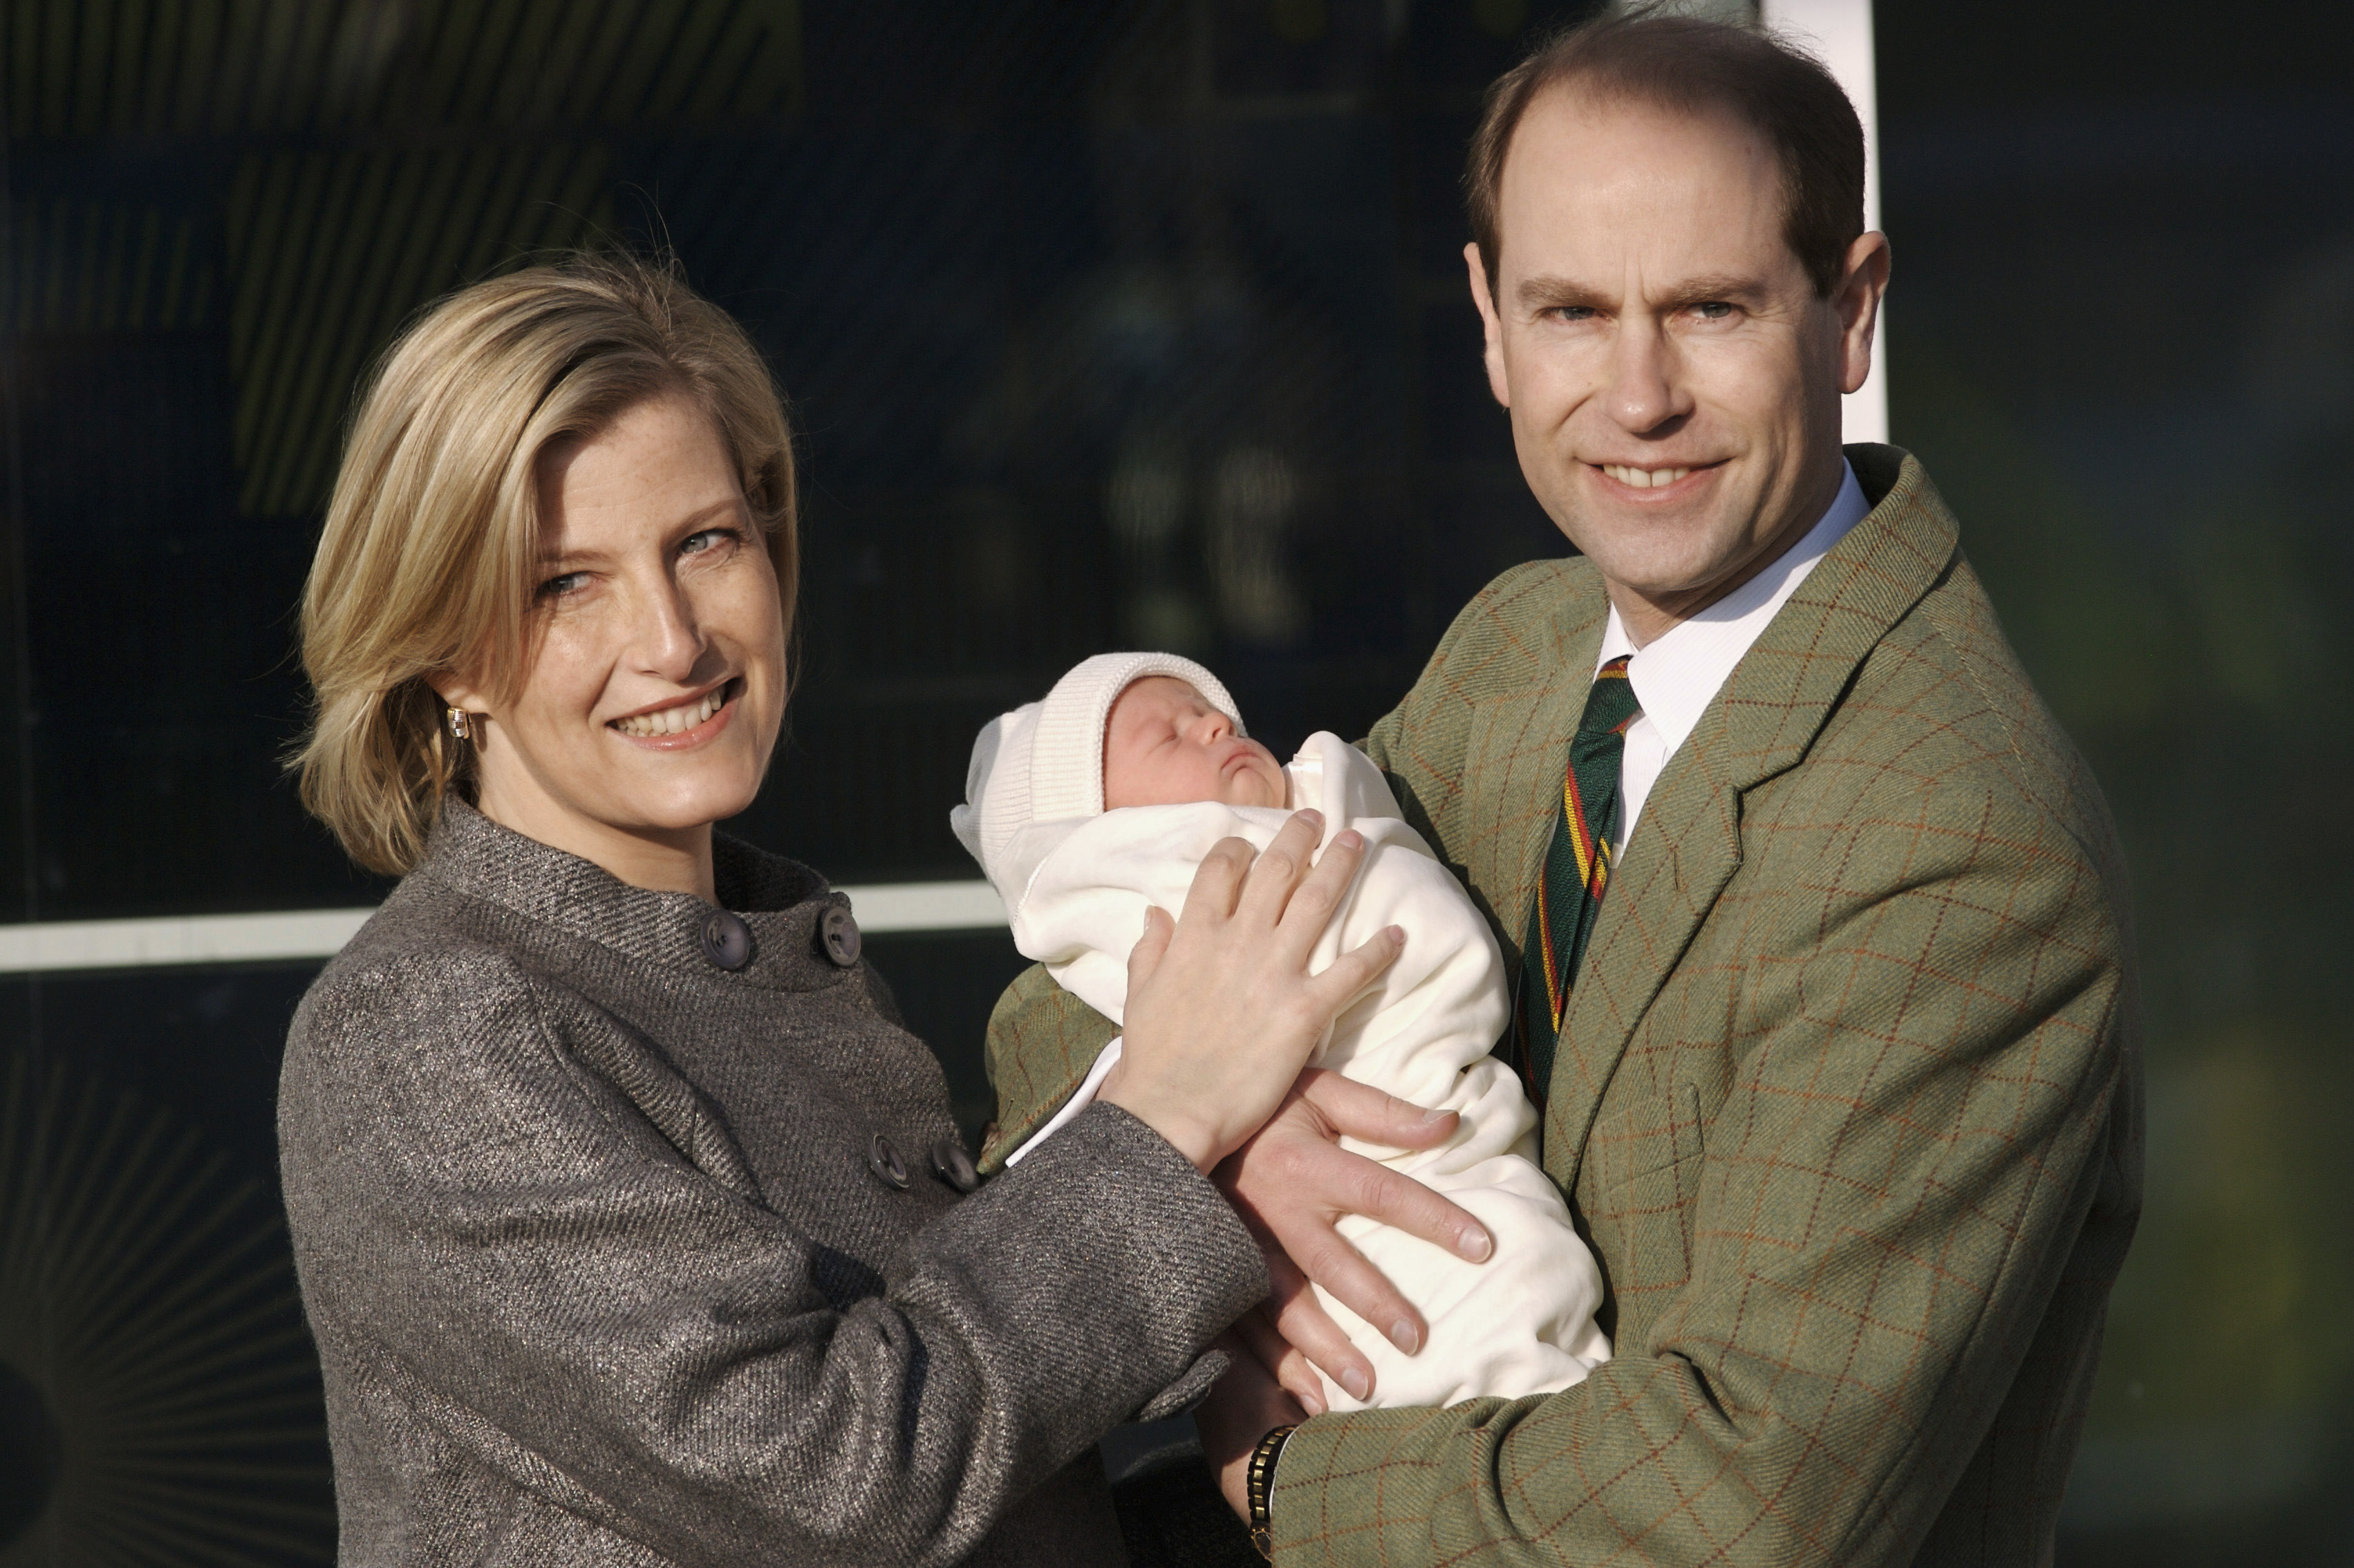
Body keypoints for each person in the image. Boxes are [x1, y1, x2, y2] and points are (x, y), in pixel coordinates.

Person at [981, 13, 2144, 1565]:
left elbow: (1735, 1508)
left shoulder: (1956, 845)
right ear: (1486, 323)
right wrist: (1224, 1135)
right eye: (1570, 312)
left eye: (1710, 308)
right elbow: (1100, 940)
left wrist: (1274, 1485)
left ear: (1850, 311)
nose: (1635, 393)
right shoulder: (1517, 650)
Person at [275, 252, 1417, 1563]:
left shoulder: (774, 966)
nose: (673, 639)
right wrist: (1166, 1118)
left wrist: (1318, 1483)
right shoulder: (428, 1033)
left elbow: (994, 1481)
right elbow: (842, 1478)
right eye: (564, 584)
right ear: (448, 652)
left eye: (704, 540)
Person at [952, 652, 1611, 1413]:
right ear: (1096, 835)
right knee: (1469, 1317)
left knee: (1520, 1284)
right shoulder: (1148, 896)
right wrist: (1205, 1151)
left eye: (1217, 716)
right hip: (1375, 1233)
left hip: (1458, 1151)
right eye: (1169, 738)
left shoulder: (1346, 795)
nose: (1213, 722)